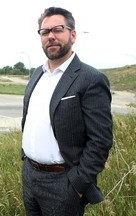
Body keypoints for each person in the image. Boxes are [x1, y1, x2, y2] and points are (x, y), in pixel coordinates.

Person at [21, 7, 113, 216]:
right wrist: (26, 160)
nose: (51, 36)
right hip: (30, 175)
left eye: (58, 29)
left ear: (72, 35)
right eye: (45, 32)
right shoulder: (37, 74)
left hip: (63, 183)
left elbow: (100, 140)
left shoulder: (90, 79)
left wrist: (78, 184)